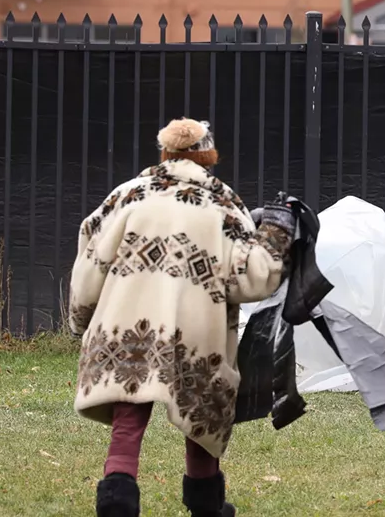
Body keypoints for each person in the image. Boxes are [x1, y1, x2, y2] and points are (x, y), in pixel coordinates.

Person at [68, 118, 295, 517]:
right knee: (200, 412)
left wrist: (81, 317)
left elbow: (91, 258)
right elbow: (253, 279)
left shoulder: (127, 196)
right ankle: (207, 505)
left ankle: (117, 500)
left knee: (128, 412)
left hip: (126, 325)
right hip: (196, 332)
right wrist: (275, 231)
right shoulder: (222, 205)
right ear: (208, 157)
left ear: (165, 154)